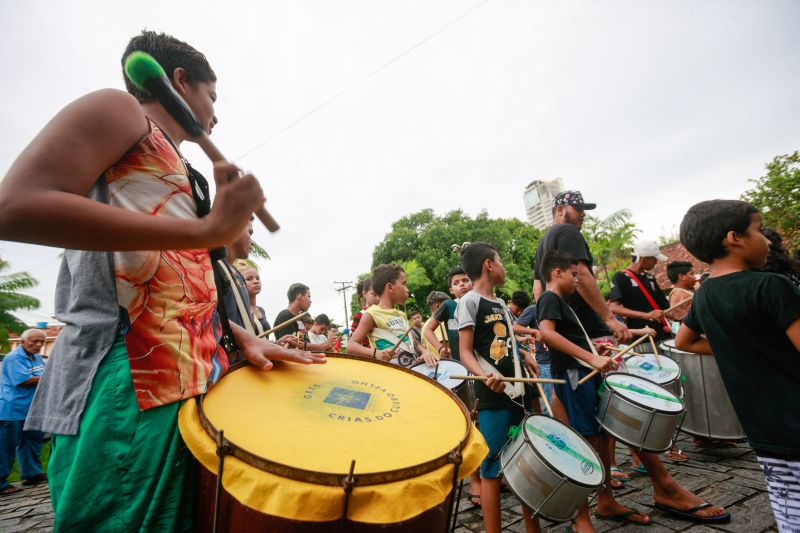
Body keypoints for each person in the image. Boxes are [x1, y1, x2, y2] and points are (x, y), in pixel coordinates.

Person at [0, 31, 325, 530]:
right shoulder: (122, 111)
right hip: (129, 380)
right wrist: (208, 227)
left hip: (188, 378)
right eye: (211, 97)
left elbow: (178, 285)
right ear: (179, 82)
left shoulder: (183, 166)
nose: (216, 114)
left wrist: (237, 337)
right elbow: (14, 208)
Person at [538, 250, 730, 530]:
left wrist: (595, 350)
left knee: (602, 437)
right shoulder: (550, 298)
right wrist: (591, 358)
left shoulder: (562, 302)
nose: (578, 281)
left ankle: (606, 501)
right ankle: (581, 517)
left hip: (582, 370)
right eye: (574, 275)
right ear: (557, 273)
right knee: (587, 440)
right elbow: (547, 334)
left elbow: (566, 337)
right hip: (573, 375)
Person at [676, 200, 800, 532]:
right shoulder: (771, 286)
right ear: (735, 238)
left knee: (791, 513)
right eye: (759, 230)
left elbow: (684, 342)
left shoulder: (704, 296)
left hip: (764, 431)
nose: (768, 241)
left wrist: (737, 346)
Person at [455, 243, 540, 533]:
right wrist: (483, 376)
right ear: (489, 265)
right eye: (500, 261)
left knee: (523, 461)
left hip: (518, 391)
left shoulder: (502, 304)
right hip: (493, 396)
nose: (503, 266)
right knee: (492, 466)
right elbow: (465, 352)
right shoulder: (469, 301)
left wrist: (526, 355)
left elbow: (509, 341)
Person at [533, 190, 631, 345]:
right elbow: (581, 274)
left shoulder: (542, 245)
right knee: (613, 369)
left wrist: (548, 325)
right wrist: (609, 318)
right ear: (560, 210)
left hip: (567, 334)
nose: (583, 214)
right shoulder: (568, 231)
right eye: (578, 209)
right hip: (589, 329)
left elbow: (538, 289)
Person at [347, 264, 436, 366]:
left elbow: (414, 344)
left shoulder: (401, 314)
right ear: (390, 287)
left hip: (411, 371)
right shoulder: (371, 314)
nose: (407, 290)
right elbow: (351, 346)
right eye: (404, 284)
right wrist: (377, 353)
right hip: (390, 374)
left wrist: (425, 352)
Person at [0, 330, 47, 495]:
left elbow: (41, 375)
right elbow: (24, 380)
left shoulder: (37, 357)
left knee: (32, 441)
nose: (39, 345)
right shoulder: (14, 358)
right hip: (12, 410)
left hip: (32, 409)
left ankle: (31, 474)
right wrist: (50, 376)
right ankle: (1, 484)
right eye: (34, 342)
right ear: (22, 342)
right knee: (6, 447)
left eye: (41, 342)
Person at [608, 240, 672, 343]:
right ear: (644, 259)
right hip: (642, 337)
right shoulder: (621, 277)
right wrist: (646, 315)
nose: (656, 262)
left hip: (663, 334)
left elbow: (665, 307)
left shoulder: (650, 277)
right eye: (654, 258)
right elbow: (614, 308)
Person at [234, 260, 271, 334]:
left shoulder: (261, 310)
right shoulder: (237, 310)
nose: (256, 281)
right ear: (238, 283)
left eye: (257, 278)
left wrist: (278, 342)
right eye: (249, 279)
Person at [350, 277, 378, 348]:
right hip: (370, 357)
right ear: (364, 293)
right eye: (374, 294)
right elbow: (353, 344)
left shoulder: (385, 312)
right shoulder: (360, 315)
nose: (378, 298)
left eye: (380, 294)